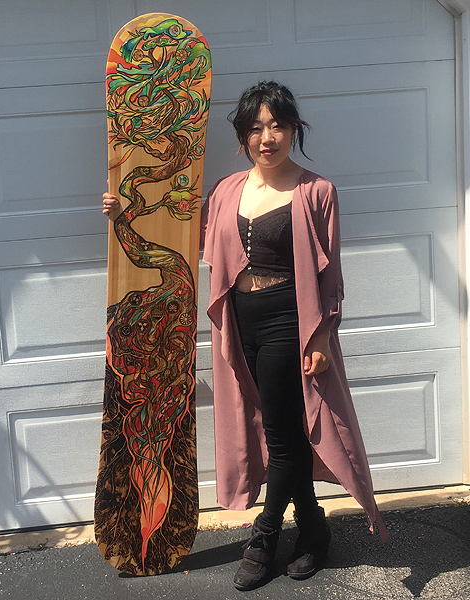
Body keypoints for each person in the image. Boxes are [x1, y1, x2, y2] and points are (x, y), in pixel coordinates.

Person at [103, 80, 387, 591]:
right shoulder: (228, 190)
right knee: (284, 427)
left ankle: (264, 536)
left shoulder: (316, 191)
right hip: (240, 321)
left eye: (277, 124)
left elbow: (330, 275)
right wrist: (125, 213)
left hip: (288, 320)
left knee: (280, 433)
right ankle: (314, 529)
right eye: (255, 128)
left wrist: (321, 336)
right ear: (242, 137)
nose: (267, 137)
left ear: (294, 128)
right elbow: (180, 235)